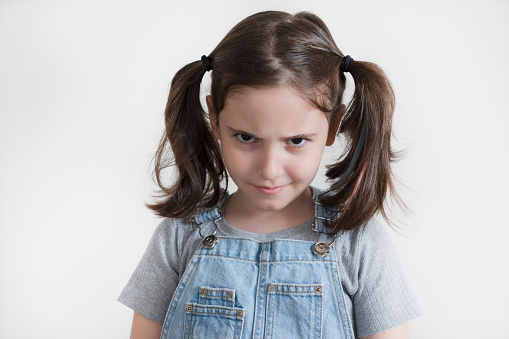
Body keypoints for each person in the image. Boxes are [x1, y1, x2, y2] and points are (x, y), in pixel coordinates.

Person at [119, 10, 422, 339]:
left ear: (333, 126)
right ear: (215, 118)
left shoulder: (358, 243)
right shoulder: (178, 237)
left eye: (295, 141)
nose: (269, 169)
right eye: (247, 138)